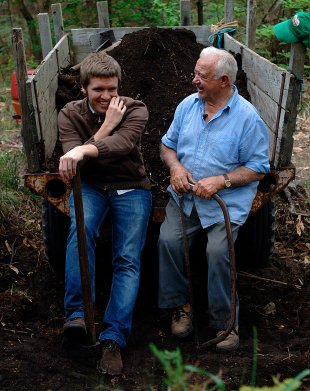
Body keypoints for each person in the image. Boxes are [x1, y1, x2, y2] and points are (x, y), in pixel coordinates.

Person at [158, 46, 270, 351]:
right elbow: (167, 146)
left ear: (223, 80)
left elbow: (259, 168)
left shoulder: (248, 118)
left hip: (225, 203)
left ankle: (225, 322)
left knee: (218, 253)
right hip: (185, 198)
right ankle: (180, 306)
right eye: (195, 72)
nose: (194, 80)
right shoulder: (187, 106)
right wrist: (176, 168)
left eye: (201, 75)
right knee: (168, 241)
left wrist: (222, 180)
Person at [58, 51, 152, 375]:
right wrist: (102, 131)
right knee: (81, 231)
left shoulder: (136, 108)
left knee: (127, 258)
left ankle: (113, 339)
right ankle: (77, 316)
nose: (107, 97)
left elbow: (124, 145)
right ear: (84, 87)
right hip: (92, 187)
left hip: (132, 187)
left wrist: (88, 146)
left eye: (112, 89)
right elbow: (77, 158)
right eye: (99, 89)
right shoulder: (69, 113)